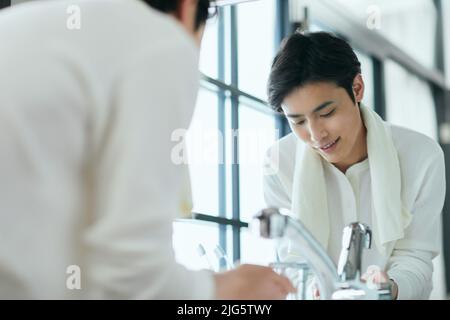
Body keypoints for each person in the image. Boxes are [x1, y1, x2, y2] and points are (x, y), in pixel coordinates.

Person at [0, 0, 295, 299]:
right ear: (188, 8)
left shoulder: (29, 25)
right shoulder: (162, 40)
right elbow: (132, 271)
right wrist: (224, 288)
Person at [264, 31, 446, 300]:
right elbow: (292, 259)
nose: (316, 135)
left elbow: (415, 258)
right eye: (298, 121)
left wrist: (388, 289)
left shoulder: (421, 156)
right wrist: (318, 287)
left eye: (326, 113)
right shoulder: (279, 162)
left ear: (357, 88)